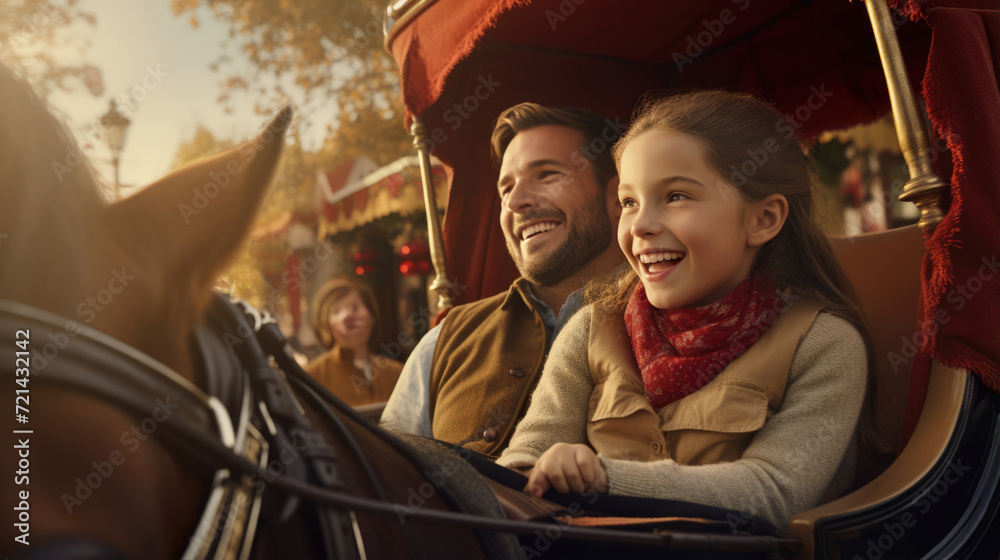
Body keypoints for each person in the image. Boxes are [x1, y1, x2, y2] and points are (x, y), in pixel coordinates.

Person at [497, 90, 882, 528]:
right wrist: (529, 475)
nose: (640, 225)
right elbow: (523, 464)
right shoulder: (589, 328)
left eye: (676, 196)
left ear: (764, 219)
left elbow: (775, 493)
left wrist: (605, 479)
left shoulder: (823, 343)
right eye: (629, 202)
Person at [381, 103, 625, 456]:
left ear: (618, 194)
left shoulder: (683, 319)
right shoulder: (444, 341)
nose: (517, 202)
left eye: (546, 174)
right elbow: (387, 478)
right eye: (506, 188)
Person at [305, 278, 404, 406]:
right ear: (326, 323)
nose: (347, 316)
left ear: (372, 317)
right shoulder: (312, 377)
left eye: (355, 307)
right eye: (336, 311)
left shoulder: (398, 373)